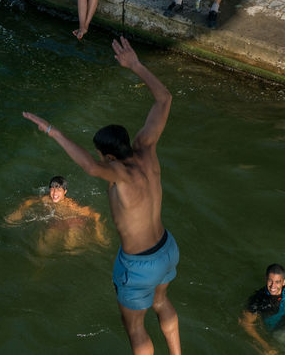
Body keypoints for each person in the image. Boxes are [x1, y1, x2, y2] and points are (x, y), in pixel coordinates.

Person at [23, 37, 180, 355]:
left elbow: (91, 168)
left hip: (139, 264)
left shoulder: (120, 173)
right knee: (161, 302)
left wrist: (53, 131)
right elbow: (164, 99)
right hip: (167, 249)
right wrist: (136, 65)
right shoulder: (146, 147)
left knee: (135, 328)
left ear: (109, 156)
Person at [4, 175, 107, 253]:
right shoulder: (46, 199)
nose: (54, 193)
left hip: (72, 222)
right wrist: (18, 213)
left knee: (70, 247)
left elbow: (95, 215)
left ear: (65, 192)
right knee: (41, 247)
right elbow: (29, 202)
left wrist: (98, 232)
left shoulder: (71, 205)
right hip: (56, 223)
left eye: (58, 189)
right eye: (52, 189)